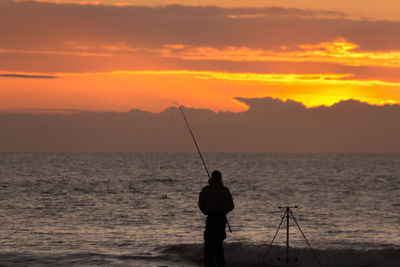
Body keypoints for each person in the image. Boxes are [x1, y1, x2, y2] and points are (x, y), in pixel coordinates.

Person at [198, 170, 234, 267]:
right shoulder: (225, 190)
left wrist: (207, 210)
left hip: (211, 220)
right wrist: (222, 211)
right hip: (221, 220)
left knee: (209, 247)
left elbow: (201, 204)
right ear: (221, 178)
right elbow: (231, 206)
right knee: (218, 246)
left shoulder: (206, 189)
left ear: (212, 178)